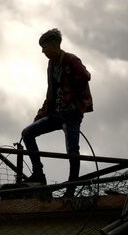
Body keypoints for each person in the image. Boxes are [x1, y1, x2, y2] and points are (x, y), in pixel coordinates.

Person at [21, 28, 93, 197]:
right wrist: (42, 113)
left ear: (54, 45)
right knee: (28, 133)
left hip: (72, 114)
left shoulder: (71, 60)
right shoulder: (51, 65)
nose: (43, 51)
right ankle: (38, 173)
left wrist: (71, 96)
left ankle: (71, 189)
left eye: (44, 47)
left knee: (72, 150)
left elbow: (85, 76)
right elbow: (51, 91)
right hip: (56, 114)